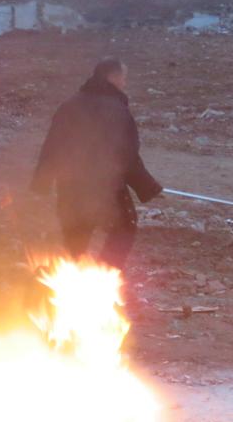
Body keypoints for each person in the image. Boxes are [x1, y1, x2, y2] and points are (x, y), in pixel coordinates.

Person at [31, 57, 162, 270]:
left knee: (76, 236)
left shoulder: (70, 105)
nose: (125, 82)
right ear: (113, 77)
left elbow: (52, 145)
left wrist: (41, 183)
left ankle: (75, 278)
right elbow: (127, 155)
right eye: (123, 77)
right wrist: (148, 187)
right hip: (106, 188)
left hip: (69, 187)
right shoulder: (117, 110)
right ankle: (105, 272)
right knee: (123, 228)